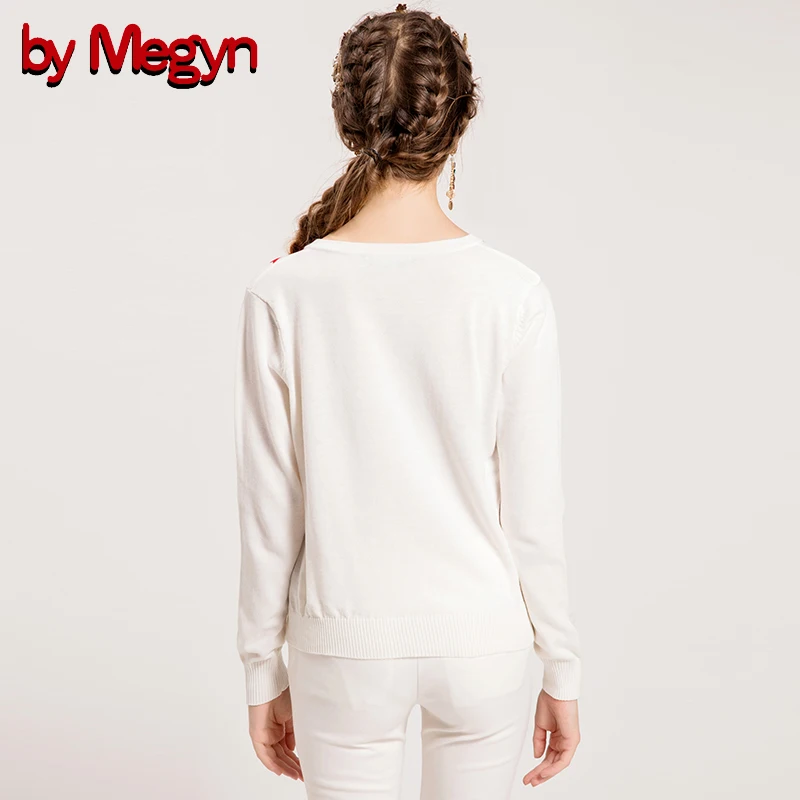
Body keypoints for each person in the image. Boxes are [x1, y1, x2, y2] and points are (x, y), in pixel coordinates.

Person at [233, 5, 582, 798]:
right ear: (458, 122)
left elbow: (268, 509)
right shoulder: (512, 294)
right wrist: (561, 664)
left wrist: (261, 669)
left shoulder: (283, 293)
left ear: (346, 118)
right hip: (482, 643)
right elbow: (533, 511)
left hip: (343, 645)